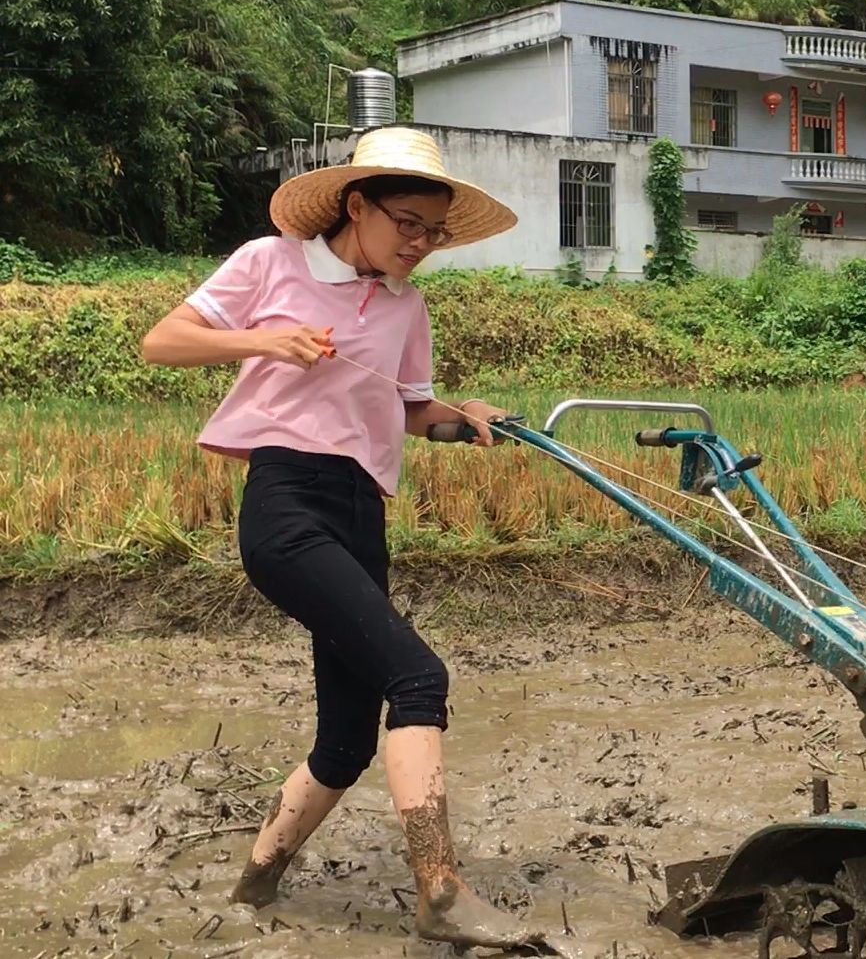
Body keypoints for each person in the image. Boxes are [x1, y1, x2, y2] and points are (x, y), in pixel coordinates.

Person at [141, 126, 568, 953]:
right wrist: (264, 339)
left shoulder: (408, 306)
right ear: (356, 206)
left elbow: (410, 410)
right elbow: (163, 343)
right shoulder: (271, 262)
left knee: (344, 742)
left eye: (434, 232)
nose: (420, 244)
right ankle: (439, 888)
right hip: (286, 505)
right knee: (417, 675)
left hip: (359, 513)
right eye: (407, 223)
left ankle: (256, 879)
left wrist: (467, 417)